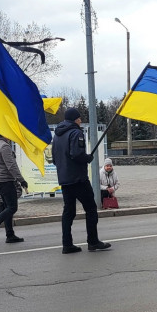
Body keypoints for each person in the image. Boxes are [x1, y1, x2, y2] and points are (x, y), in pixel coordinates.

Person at [52, 107, 111, 253]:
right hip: (78, 179)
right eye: (79, 118)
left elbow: (54, 159)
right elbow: (77, 154)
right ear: (75, 119)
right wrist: (88, 158)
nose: (80, 121)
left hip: (64, 179)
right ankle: (93, 242)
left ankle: (67, 245)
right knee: (91, 209)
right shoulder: (76, 132)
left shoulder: (57, 135)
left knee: (68, 212)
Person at [0, 133, 28, 244]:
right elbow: (11, 166)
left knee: (7, 208)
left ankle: (10, 235)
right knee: (12, 208)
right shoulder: (4, 146)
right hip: (6, 181)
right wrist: (21, 180)